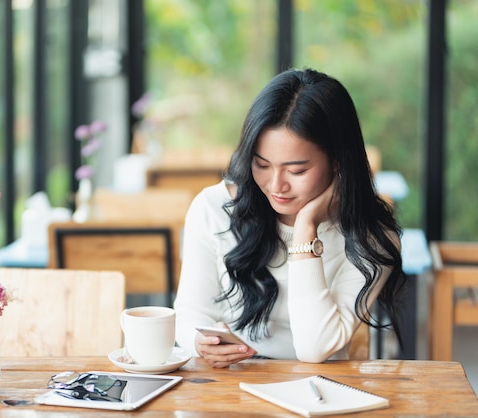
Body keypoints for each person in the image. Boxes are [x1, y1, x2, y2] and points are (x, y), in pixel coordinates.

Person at [173, 68, 408, 367]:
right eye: (262, 165)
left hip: (319, 393)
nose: (276, 185)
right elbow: (188, 315)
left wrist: (305, 228)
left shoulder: (371, 236)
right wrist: (199, 342)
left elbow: (314, 349)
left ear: (338, 160)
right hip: (230, 383)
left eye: (297, 171)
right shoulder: (213, 208)